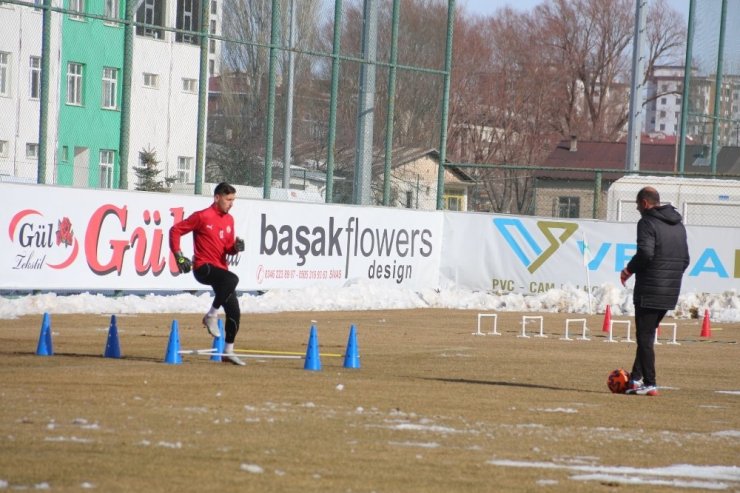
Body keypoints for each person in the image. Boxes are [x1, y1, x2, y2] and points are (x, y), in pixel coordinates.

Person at [620, 186, 689, 396]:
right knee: (647, 337)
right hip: (670, 291)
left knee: (645, 337)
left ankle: (650, 383)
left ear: (644, 203)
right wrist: (670, 279)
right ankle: (634, 379)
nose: (638, 210)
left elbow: (646, 253)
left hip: (649, 289)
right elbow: (685, 259)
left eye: (637, 205)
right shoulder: (678, 225)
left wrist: (628, 269)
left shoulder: (647, 222)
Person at [169, 182, 246, 366]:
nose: (231, 204)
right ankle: (211, 315)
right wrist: (179, 256)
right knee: (233, 279)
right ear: (217, 197)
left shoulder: (229, 220)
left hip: (221, 270)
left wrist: (235, 248)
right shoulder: (202, 216)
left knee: (235, 312)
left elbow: (227, 247)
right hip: (203, 268)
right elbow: (175, 230)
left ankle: (228, 352)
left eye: (233, 200)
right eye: (228, 200)